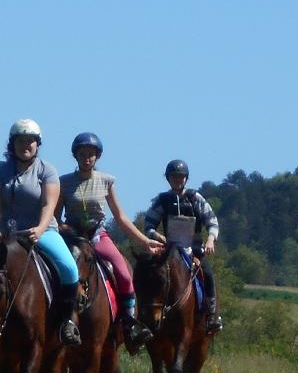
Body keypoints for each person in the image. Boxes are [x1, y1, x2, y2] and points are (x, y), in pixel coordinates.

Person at [0, 119, 82, 345]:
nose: (26, 145)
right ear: (12, 144)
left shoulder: (47, 170)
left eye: (31, 141)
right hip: (5, 233)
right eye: (21, 141)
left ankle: (67, 322)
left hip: (40, 231)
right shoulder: (0, 171)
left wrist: (40, 229)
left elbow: (48, 205)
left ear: (38, 144)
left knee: (69, 268)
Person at [57, 132, 163, 347]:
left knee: (123, 271)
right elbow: (56, 216)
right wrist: (64, 228)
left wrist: (144, 241)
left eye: (91, 154)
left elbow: (121, 218)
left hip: (97, 236)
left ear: (97, 157)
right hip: (73, 238)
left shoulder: (107, 181)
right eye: (82, 154)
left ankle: (129, 323)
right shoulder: (63, 182)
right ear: (75, 156)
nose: (86, 158)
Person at [143, 159, 223, 331]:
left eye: (180, 177)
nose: (177, 180)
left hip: (193, 248)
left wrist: (210, 239)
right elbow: (148, 225)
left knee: (207, 274)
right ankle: (143, 314)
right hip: (170, 249)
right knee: (150, 273)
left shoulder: (195, 198)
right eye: (174, 177)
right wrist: (156, 236)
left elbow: (212, 221)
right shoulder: (162, 200)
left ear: (186, 178)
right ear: (168, 179)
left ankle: (211, 315)